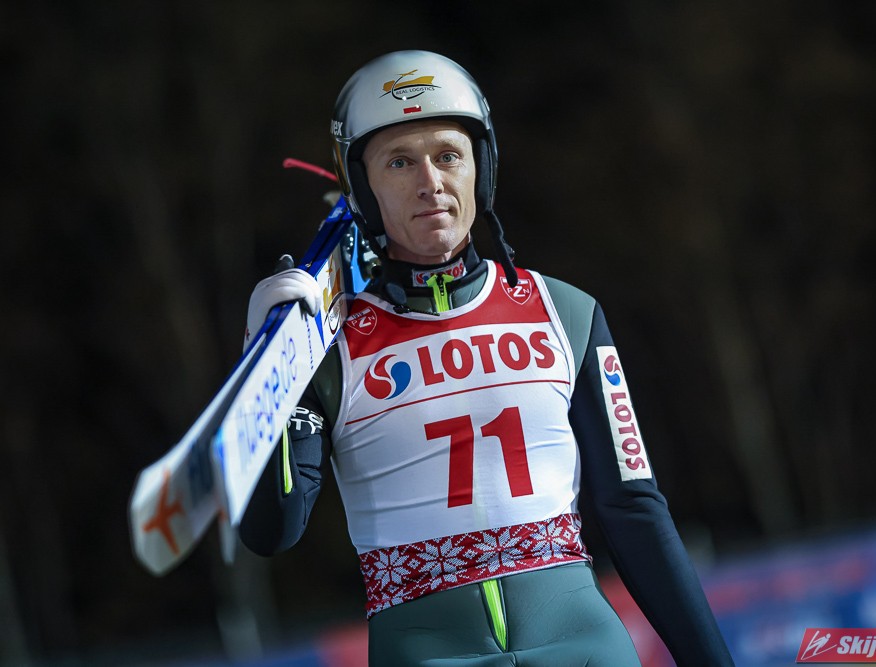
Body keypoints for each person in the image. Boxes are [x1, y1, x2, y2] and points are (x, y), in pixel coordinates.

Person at [239, 50, 734, 666]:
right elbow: (271, 531)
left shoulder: (566, 313)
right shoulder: (333, 348)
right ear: (362, 185)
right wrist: (269, 368)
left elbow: (634, 510)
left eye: (448, 155)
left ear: (481, 166)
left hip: (583, 649)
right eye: (399, 162)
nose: (430, 182)